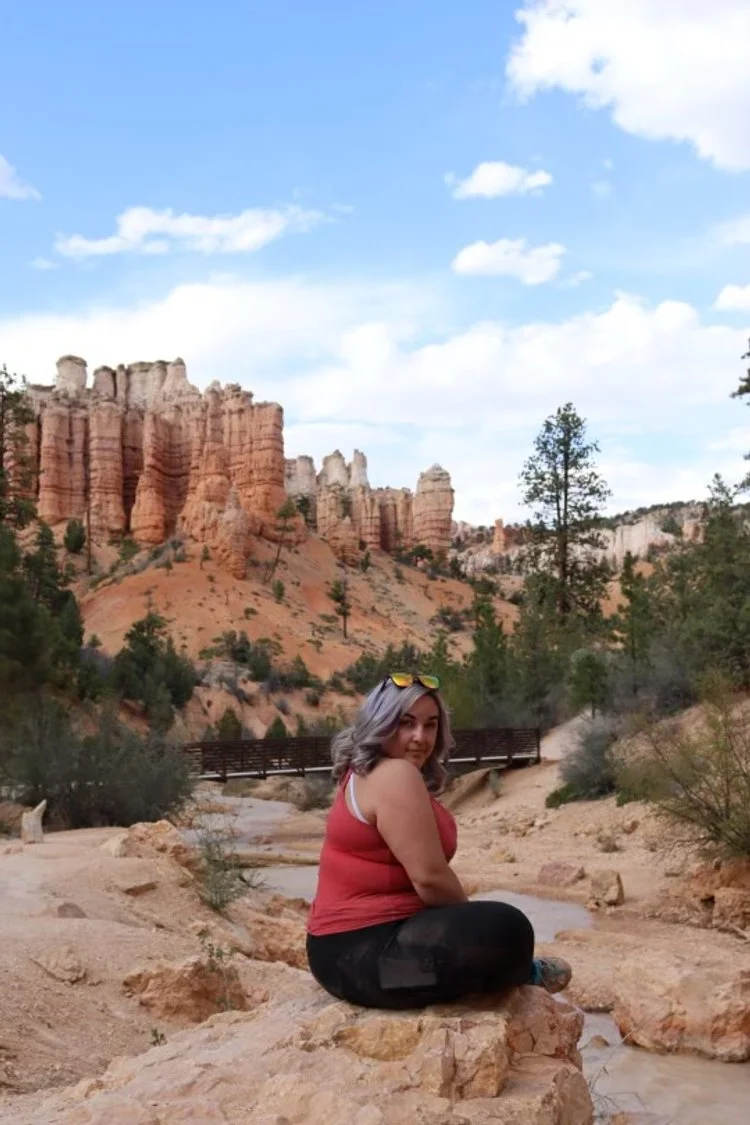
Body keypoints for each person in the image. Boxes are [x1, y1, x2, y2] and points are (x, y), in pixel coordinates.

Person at [306, 672, 572, 1009]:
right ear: (381, 723)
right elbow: (430, 878)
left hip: (343, 962)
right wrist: (475, 933)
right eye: (406, 723)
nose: (420, 737)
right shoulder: (393, 774)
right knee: (505, 928)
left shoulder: (368, 772)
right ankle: (516, 971)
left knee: (490, 929)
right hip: (366, 964)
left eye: (430, 725)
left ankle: (492, 968)